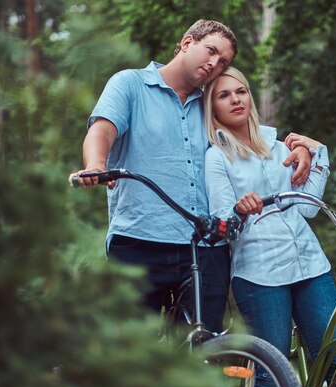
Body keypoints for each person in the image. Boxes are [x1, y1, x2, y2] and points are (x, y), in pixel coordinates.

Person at [68, 20, 312, 333]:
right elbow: (101, 129)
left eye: (223, 61)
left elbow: (257, 142)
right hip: (139, 242)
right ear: (186, 43)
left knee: (203, 353)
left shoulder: (213, 102)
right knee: (129, 351)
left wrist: (302, 148)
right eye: (210, 51)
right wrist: (96, 164)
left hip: (206, 247)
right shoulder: (130, 84)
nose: (214, 64)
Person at [204, 66, 336, 387]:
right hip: (259, 274)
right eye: (224, 95)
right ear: (213, 109)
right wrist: (239, 209)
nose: (235, 99)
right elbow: (223, 225)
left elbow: (309, 208)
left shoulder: (280, 148)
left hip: (310, 266)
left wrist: (317, 152)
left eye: (240, 91)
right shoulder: (216, 157)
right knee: (273, 374)